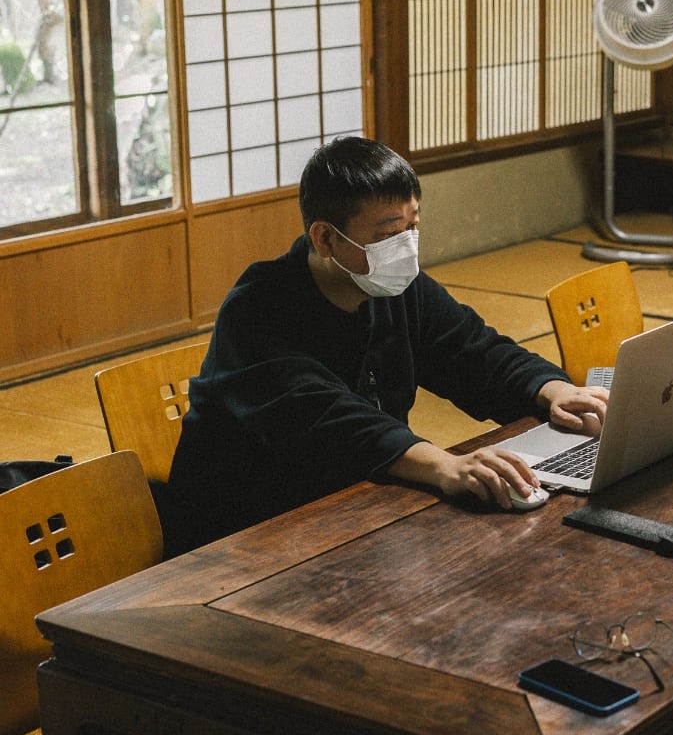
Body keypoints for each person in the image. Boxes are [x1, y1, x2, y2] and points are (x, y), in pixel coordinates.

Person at [164, 136, 608, 558]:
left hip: (357, 505)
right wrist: (445, 466)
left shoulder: (398, 287)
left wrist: (551, 390)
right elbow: (333, 422)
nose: (406, 248)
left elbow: (473, 350)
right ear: (325, 239)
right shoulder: (258, 311)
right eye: (388, 234)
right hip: (247, 535)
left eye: (413, 227)